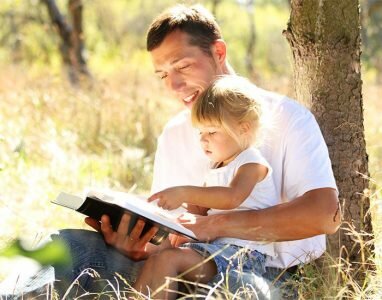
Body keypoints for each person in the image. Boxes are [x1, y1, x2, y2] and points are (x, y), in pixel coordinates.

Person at [3, 4, 340, 299]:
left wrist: (216, 225)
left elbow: (323, 215)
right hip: (174, 266)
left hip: (259, 274)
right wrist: (134, 246)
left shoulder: (286, 117)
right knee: (59, 245)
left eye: (182, 67)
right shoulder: (175, 134)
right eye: (163, 74)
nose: (173, 86)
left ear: (218, 52)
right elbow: (168, 240)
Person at [133, 75, 278, 299]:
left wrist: (184, 191)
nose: (203, 140)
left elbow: (232, 197)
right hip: (216, 250)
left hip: (243, 256)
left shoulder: (252, 162)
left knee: (168, 260)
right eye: (200, 133)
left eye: (212, 132)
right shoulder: (215, 168)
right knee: (159, 256)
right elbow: (199, 210)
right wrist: (174, 223)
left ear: (243, 129)